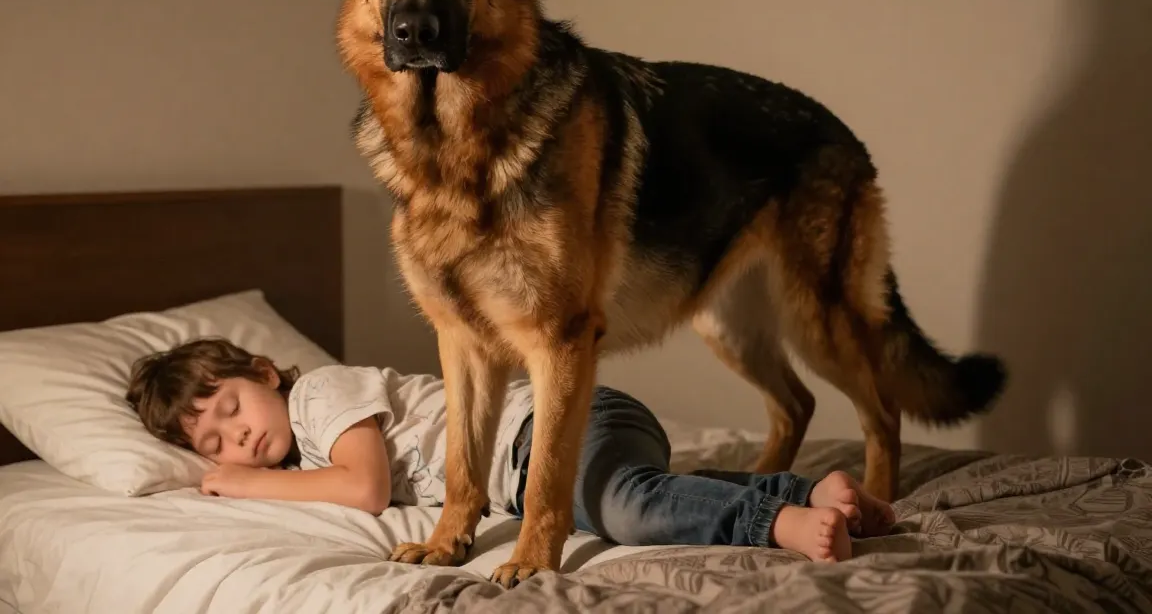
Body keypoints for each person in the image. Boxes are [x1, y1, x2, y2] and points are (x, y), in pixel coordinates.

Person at [126, 338, 894, 564]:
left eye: (231, 408)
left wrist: (243, 484)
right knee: (633, 490)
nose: (238, 438)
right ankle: (806, 493)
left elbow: (362, 487)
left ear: (264, 374)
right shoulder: (297, 457)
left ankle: (779, 528)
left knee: (623, 510)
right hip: (561, 452)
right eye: (215, 441)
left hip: (552, 427)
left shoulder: (320, 395)